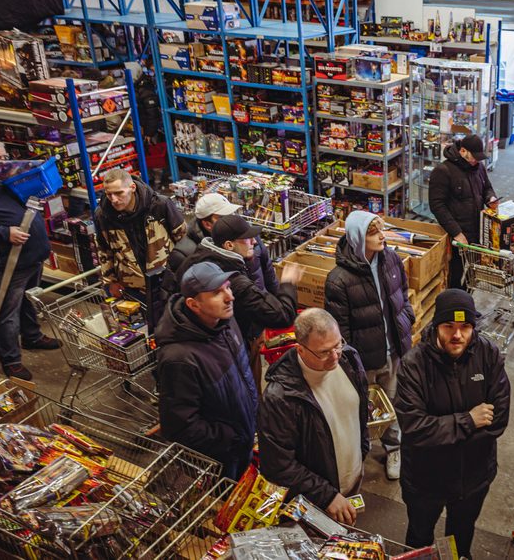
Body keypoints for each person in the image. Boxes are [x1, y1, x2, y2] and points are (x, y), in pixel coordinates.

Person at [395, 289, 511, 558]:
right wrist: (468, 421)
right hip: (426, 481)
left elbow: (499, 419)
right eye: (449, 326)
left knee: (460, 538)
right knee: (419, 539)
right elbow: (414, 428)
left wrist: (441, 433)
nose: (457, 335)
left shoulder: (489, 355)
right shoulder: (414, 365)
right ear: (437, 326)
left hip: (473, 478)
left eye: (465, 327)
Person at [324, 211, 414, 480]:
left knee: (394, 403)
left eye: (381, 230)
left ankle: (394, 448)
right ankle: (355, 455)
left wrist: (407, 319)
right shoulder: (339, 280)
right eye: (375, 233)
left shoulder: (391, 259)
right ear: (359, 238)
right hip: (364, 360)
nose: (382, 236)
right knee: (358, 408)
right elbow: (340, 330)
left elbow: (404, 295)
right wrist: (352, 362)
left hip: (394, 351)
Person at [258, 308, 370, 524]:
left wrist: (362, 449)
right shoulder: (280, 398)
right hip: (318, 501)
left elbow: (359, 410)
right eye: (325, 352)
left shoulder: (349, 358)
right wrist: (326, 495)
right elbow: (278, 466)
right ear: (300, 350)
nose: (336, 355)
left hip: (353, 480)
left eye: (337, 344)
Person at [155, 262, 259, 480]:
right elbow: (179, 427)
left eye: (228, 287)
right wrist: (231, 438)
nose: (229, 297)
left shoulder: (226, 322)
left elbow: (241, 375)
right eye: (216, 293)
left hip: (245, 442)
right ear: (194, 305)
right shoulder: (179, 358)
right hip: (220, 462)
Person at [0, 137, 57, 380]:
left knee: (28, 302)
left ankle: (32, 336)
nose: (5, 163)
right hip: (2, 263)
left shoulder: (3, 176)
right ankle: (11, 361)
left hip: (30, 256)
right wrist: (4, 233)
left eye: (5, 158)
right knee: (6, 313)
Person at [175, 214, 300, 386]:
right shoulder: (234, 281)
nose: (255, 242)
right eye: (248, 239)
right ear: (229, 245)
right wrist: (288, 284)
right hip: (233, 351)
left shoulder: (197, 259)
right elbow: (282, 316)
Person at [95, 168, 186, 322]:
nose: (114, 199)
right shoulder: (102, 215)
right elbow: (104, 250)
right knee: (144, 330)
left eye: (119, 193)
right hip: (133, 286)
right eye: (109, 194)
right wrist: (111, 282)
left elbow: (183, 240)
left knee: (175, 322)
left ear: (132, 187)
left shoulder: (160, 205)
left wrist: (185, 274)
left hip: (167, 281)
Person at [170, 192, 280, 295]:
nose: (231, 218)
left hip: (262, 304)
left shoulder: (246, 233)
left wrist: (276, 301)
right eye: (223, 217)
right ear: (207, 224)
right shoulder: (185, 253)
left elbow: (268, 270)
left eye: (231, 213)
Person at [427, 135, 499, 289]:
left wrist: (491, 198)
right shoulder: (443, 171)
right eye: (474, 157)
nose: (476, 161)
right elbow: (436, 205)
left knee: (474, 273)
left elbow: (487, 187)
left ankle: (465, 304)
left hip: (477, 231)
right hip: (457, 236)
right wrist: (457, 233)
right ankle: (455, 309)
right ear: (462, 151)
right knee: (455, 276)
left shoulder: (478, 167)